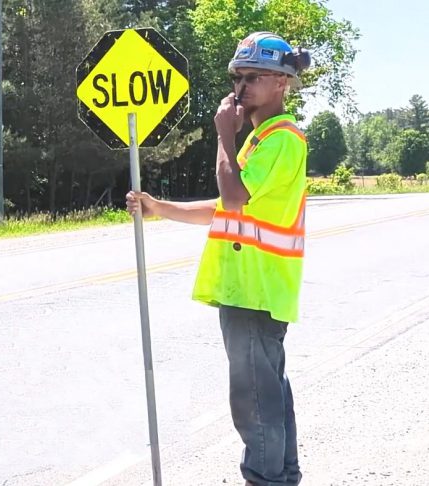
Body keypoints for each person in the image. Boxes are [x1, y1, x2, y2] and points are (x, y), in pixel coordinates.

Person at [126, 32, 311, 486]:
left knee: (254, 398)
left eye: (252, 78)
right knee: (269, 390)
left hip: (256, 289)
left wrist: (223, 136)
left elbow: (233, 193)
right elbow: (224, 206)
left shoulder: (281, 140)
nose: (240, 88)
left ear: (281, 84)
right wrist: (160, 208)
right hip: (251, 289)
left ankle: (266, 479)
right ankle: (282, 476)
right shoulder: (259, 140)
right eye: (237, 77)